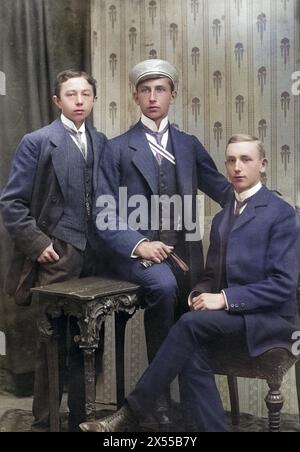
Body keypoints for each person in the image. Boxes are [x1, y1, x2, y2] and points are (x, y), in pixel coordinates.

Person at [80, 134, 299, 432]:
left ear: (263, 165)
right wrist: (199, 293)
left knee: (187, 325)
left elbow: (283, 286)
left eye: (246, 160)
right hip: (236, 316)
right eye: (231, 160)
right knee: (191, 351)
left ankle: (130, 412)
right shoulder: (224, 218)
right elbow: (211, 276)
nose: (237, 167)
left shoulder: (281, 214)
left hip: (270, 320)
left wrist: (223, 299)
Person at [94, 59, 231, 424]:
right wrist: (139, 244)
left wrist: (262, 198)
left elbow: (220, 188)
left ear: (173, 95)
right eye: (145, 90)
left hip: (185, 254)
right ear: (135, 96)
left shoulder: (187, 144)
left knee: (195, 303)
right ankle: (156, 403)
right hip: (137, 254)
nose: (153, 97)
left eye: (160, 90)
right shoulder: (118, 148)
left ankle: (192, 407)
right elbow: (103, 212)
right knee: (165, 286)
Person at [0, 70, 107, 432]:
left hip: (95, 255)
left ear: (93, 99)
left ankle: (81, 420)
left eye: (86, 94)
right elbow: (11, 204)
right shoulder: (39, 141)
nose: (79, 100)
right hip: (57, 254)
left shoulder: (101, 141)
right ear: (57, 101)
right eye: (71, 94)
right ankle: (46, 423)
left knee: (88, 341)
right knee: (53, 341)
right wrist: (39, 243)